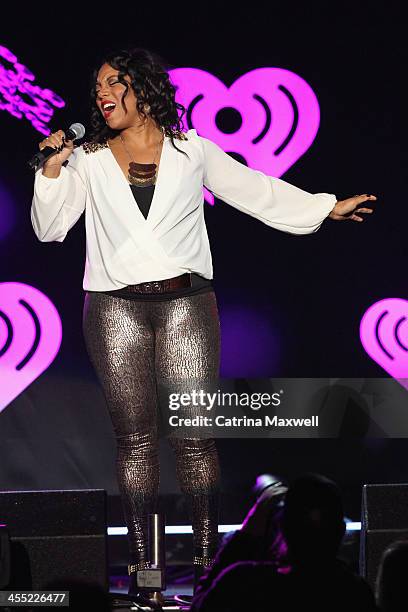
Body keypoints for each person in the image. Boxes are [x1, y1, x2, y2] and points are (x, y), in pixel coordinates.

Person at [30, 46, 378, 599]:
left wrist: (324, 206)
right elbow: (50, 229)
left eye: (115, 81)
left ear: (143, 90)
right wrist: (51, 170)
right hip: (114, 308)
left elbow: (254, 191)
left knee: (195, 439)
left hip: (187, 303)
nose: (102, 92)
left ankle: (211, 571)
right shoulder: (87, 158)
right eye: (97, 84)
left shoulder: (192, 150)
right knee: (136, 443)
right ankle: (146, 578)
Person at [191, 473, 379, 611]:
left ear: (282, 528)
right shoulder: (355, 592)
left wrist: (247, 532)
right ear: (341, 532)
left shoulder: (244, 582)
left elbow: (199, 606)